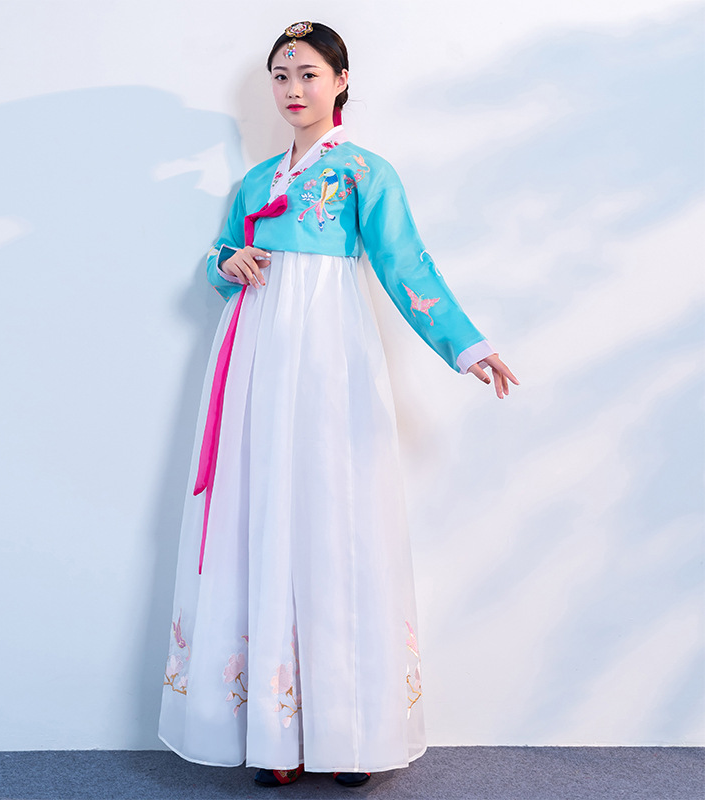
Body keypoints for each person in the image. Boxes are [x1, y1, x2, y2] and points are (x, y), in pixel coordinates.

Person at [157, 20, 518, 789]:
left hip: (327, 354)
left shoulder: (363, 173)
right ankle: (276, 737)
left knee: (335, 520)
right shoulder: (256, 181)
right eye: (281, 76)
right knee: (264, 516)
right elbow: (219, 261)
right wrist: (228, 260)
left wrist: (468, 346)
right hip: (257, 354)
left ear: (342, 81)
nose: (293, 89)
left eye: (309, 74)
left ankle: (350, 734)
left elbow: (406, 264)